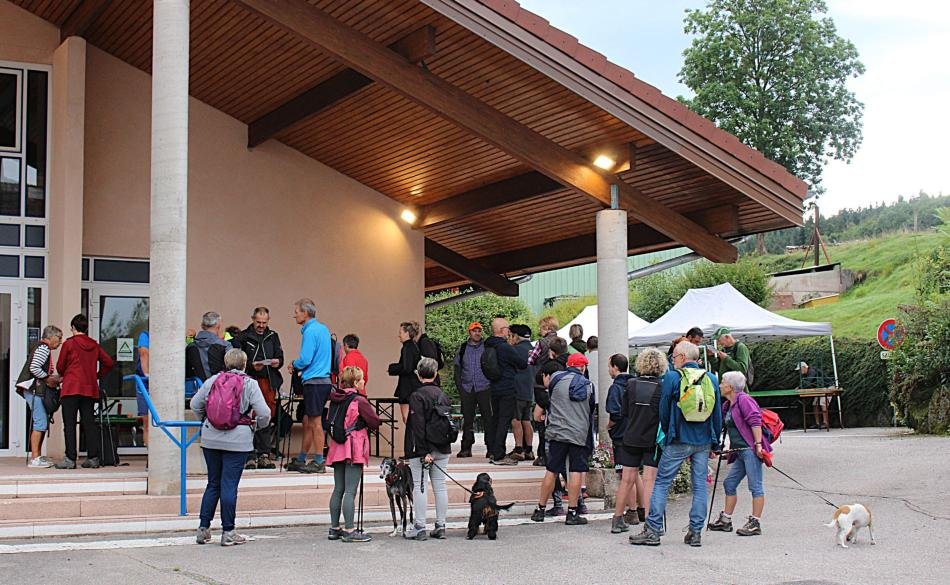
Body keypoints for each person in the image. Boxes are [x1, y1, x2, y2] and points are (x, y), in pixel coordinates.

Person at [630, 341, 722, 547]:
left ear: (682, 357)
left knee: (662, 482)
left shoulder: (673, 377)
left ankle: (653, 530)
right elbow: (716, 413)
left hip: (679, 438)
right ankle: (695, 532)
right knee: (700, 486)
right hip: (703, 440)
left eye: (674, 357)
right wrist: (715, 443)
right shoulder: (711, 378)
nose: (673, 360)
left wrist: (667, 433)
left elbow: (663, 410)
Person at [192, 348, 271, 546]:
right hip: (238, 440)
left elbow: (194, 404)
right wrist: (256, 427)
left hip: (210, 438)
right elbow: (264, 413)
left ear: (226, 364)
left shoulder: (213, 381)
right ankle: (228, 531)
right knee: (229, 485)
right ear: (244, 364)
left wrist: (207, 420)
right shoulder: (250, 384)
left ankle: (203, 529)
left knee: (213, 483)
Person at [530, 353, 595, 525]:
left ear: (568, 365)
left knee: (552, 470)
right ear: (583, 367)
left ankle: (540, 510)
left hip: (557, 432)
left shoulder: (556, 379)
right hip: (578, 434)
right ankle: (572, 512)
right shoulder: (589, 385)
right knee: (575, 471)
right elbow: (590, 410)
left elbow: (549, 397)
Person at [708, 371, 771, 536]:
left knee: (755, 486)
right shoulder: (728, 404)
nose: (720, 385)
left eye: (722, 382)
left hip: (750, 450)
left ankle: (755, 523)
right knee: (729, 484)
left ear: (730, 386)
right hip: (740, 452)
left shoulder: (744, 400)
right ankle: (726, 520)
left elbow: (755, 421)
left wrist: (758, 445)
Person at [327, 366, 380, 543]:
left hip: (337, 445)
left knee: (338, 489)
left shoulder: (335, 398)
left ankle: (334, 528)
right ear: (356, 382)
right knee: (350, 490)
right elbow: (374, 421)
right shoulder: (359, 400)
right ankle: (350, 529)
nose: (364, 381)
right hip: (353, 446)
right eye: (361, 379)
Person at [53, 314, 114, 469]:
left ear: (73, 327)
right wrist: (96, 375)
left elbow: (60, 367)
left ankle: (70, 458)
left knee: (70, 424)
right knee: (89, 424)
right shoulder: (94, 345)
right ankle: (93, 457)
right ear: (86, 329)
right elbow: (108, 362)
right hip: (89, 389)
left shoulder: (69, 344)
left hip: (71, 388)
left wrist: (66, 373)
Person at [403, 357, 453, 540]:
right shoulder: (442, 395)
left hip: (422, 449)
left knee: (419, 486)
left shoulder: (417, 396)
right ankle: (441, 525)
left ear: (418, 374)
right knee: (440, 486)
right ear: (436, 373)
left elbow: (417, 426)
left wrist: (423, 451)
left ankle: (420, 526)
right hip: (442, 446)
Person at [286, 298, 332, 474]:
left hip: (314, 382)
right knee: (308, 420)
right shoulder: (323, 329)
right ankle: (301, 458)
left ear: (305, 313)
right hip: (323, 380)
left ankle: (319, 461)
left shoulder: (310, 331)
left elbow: (306, 359)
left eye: (296, 312)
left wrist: (294, 364)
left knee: (315, 421)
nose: (294, 315)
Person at [240, 307, 284, 470]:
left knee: (266, 415)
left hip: (268, 381)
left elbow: (280, 357)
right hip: (250, 380)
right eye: (258, 322)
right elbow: (239, 361)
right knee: (249, 415)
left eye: (264, 323)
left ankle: (264, 453)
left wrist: (277, 362)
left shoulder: (273, 336)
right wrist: (251, 366)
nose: (261, 325)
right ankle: (250, 454)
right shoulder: (243, 337)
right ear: (253, 319)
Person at [15, 326, 63, 467]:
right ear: (51, 337)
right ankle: (35, 458)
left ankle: (38, 456)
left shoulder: (41, 347)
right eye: (59, 338)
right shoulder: (43, 348)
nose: (60, 342)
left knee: (41, 422)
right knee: (40, 422)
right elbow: (34, 367)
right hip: (34, 389)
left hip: (34, 389)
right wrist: (48, 378)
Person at [485, 317, 527, 465]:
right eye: (507, 329)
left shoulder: (488, 345)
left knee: (495, 419)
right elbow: (522, 364)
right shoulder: (504, 347)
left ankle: (492, 450)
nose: (509, 331)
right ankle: (499, 454)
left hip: (493, 386)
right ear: (502, 330)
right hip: (507, 387)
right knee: (504, 421)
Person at [604, 352, 637, 533]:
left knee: (625, 474)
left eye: (609, 366)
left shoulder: (616, 388)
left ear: (615, 367)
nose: (609, 369)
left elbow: (614, 413)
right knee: (635, 473)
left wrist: (609, 426)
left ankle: (631, 510)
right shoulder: (634, 384)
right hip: (635, 432)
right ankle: (640, 509)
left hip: (621, 434)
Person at [453, 321, 492, 458]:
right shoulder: (463, 348)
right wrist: (460, 387)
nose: (477, 333)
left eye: (479, 330)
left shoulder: (487, 347)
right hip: (467, 388)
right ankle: (466, 447)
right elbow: (457, 368)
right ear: (469, 332)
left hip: (485, 387)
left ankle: (491, 448)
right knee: (468, 419)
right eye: (474, 330)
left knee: (488, 419)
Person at [528, 316, 559, 466]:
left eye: (541, 327)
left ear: (547, 328)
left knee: (540, 419)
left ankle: (542, 454)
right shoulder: (561, 342)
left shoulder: (541, 343)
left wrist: (532, 355)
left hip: (541, 383)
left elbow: (531, 361)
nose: (539, 330)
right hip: (557, 384)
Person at [508, 324, 535, 462]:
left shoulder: (514, 350)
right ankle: (529, 449)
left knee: (515, 419)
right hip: (530, 390)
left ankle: (519, 449)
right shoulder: (534, 350)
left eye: (510, 336)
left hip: (517, 389)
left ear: (516, 336)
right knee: (526, 420)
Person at [388, 321, 422, 423]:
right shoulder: (413, 346)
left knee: (406, 418)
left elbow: (407, 367)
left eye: (401, 332)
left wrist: (392, 368)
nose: (399, 335)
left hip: (407, 387)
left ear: (407, 333)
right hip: (412, 386)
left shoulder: (407, 347)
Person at [185, 311, 231, 380]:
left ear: (202, 325)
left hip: (196, 386)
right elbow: (232, 373)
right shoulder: (225, 346)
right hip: (220, 385)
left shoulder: (190, 347)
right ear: (218, 325)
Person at [797, 361, 830, 429]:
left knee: (823, 403)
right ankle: (817, 423)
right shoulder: (807, 373)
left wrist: (800, 387)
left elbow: (808, 382)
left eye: (800, 369)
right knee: (815, 404)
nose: (799, 371)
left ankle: (825, 423)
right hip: (820, 389)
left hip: (828, 387)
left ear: (804, 367)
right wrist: (799, 387)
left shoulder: (812, 371)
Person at [135, 329, 150, 446]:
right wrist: (147, 375)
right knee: (148, 423)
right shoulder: (145, 336)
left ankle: (150, 452)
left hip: (146, 382)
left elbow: (144, 353)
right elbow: (144, 353)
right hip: (146, 382)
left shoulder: (145, 335)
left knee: (147, 424)